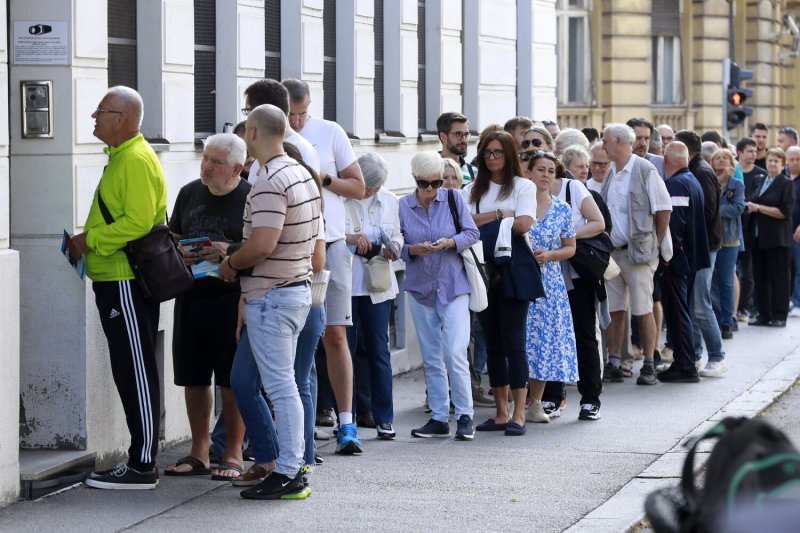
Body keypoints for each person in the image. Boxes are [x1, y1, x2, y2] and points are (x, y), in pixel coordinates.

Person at [219, 103, 321, 500]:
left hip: (273, 296)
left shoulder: (269, 180)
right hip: (287, 292)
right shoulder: (301, 174)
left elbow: (261, 244)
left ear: (254, 133)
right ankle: (278, 464)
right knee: (255, 381)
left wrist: (230, 264)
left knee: (281, 387)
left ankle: (290, 471)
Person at [70, 86, 165, 489]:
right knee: (129, 367)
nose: (94, 117)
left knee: (135, 368)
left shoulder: (136, 159)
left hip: (125, 278)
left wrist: (89, 240)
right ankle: (140, 458)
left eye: (101, 111)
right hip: (113, 278)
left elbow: (139, 223)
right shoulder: (122, 157)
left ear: (122, 118)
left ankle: (142, 464)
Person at [283, 78, 366, 455]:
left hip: (329, 244)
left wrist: (325, 179)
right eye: (291, 115)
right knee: (296, 337)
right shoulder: (272, 134)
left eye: (302, 114)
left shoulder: (329, 132)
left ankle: (347, 424)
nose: (297, 122)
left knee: (334, 334)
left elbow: (359, 187)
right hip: (289, 249)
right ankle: (298, 426)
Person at [164, 134, 250, 481]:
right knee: (193, 378)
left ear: (237, 168)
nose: (208, 166)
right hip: (191, 295)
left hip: (232, 299)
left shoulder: (250, 196)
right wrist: (178, 251)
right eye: (205, 159)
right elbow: (172, 235)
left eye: (216, 162)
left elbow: (261, 244)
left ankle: (233, 453)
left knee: (232, 381)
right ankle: (199, 451)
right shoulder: (189, 192)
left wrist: (228, 250)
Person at [400, 151, 479, 440]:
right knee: (432, 356)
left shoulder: (454, 199)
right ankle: (438, 416)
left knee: (455, 351)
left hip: (453, 284)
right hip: (421, 286)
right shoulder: (403, 206)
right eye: (425, 183)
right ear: (415, 180)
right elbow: (396, 244)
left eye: (436, 182)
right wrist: (412, 250)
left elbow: (472, 233)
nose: (432, 189)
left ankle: (465, 415)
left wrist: (450, 242)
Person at [463, 131, 538, 436]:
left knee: (514, 342)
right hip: (481, 268)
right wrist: (499, 214)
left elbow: (523, 224)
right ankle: (500, 413)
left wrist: (486, 221)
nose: (492, 158)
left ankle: (519, 413)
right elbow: (463, 225)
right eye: (487, 153)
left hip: (512, 267)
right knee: (492, 343)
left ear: (509, 154)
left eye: (497, 152)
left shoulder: (523, 185)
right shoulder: (472, 189)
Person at [599, 123, 672, 386]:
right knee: (616, 310)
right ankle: (614, 361)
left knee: (643, 309)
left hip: (639, 253)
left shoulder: (644, 169)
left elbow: (664, 208)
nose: (603, 145)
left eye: (605, 140)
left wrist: (656, 242)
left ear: (619, 141)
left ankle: (650, 364)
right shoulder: (612, 172)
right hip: (615, 253)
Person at [344, 152, 403, 441]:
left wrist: (394, 246)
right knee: (346, 352)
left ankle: (384, 418)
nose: (372, 192)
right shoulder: (341, 198)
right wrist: (350, 239)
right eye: (368, 187)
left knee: (379, 351)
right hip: (346, 284)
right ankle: (348, 417)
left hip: (379, 285)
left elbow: (399, 234)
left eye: (376, 187)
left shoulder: (390, 200)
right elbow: (329, 236)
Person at [522, 152, 578, 423]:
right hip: (519, 277)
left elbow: (570, 248)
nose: (545, 175)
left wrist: (551, 255)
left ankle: (535, 403)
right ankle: (516, 401)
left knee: (543, 341)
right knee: (520, 338)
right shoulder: (518, 203)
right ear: (529, 172)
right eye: (540, 170)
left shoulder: (562, 209)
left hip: (550, 283)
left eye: (550, 171)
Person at [674, 130, 724, 379]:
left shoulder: (701, 171)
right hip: (700, 245)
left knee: (701, 304)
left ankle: (717, 356)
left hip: (707, 245)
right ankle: (693, 354)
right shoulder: (698, 169)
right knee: (694, 303)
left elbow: (707, 210)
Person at [658, 142, 710, 383]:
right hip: (688, 257)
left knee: (678, 313)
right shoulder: (690, 180)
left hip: (678, 259)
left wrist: (669, 256)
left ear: (667, 160)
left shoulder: (677, 183)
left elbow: (675, 225)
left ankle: (686, 364)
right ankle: (683, 361)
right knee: (682, 311)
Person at [746, 147, 795, 328]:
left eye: (776, 161)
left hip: (777, 239)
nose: (772, 164)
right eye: (770, 160)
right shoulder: (760, 180)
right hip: (758, 238)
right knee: (760, 277)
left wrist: (759, 208)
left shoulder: (786, 183)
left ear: (783, 165)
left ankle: (779, 315)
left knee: (779, 278)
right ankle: (764, 314)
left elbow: (784, 212)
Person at [710, 149, 745, 345]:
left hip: (730, 239)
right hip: (712, 238)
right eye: (718, 157)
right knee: (712, 282)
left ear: (731, 162)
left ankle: (727, 321)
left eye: (726, 157)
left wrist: (715, 211)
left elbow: (738, 208)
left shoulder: (736, 184)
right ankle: (715, 319)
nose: (722, 160)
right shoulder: (709, 181)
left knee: (726, 281)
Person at [736, 138, 768, 320]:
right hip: (734, 225)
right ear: (739, 152)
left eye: (755, 151)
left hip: (750, 228)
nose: (753, 154)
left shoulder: (761, 174)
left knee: (748, 271)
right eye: (749, 151)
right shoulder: (734, 171)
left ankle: (743, 307)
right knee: (734, 270)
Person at [437, 112, 477, 184]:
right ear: (443, 137)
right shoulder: (430, 168)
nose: (464, 140)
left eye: (466, 135)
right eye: (458, 134)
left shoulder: (473, 172)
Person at [786, 146, 800, 317]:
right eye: (792, 159)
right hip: (781, 231)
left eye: (798, 159)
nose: (795, 163)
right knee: (784, 268)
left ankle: (797, 301)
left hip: (797, 232)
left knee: (799, 268)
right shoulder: (783, 178)